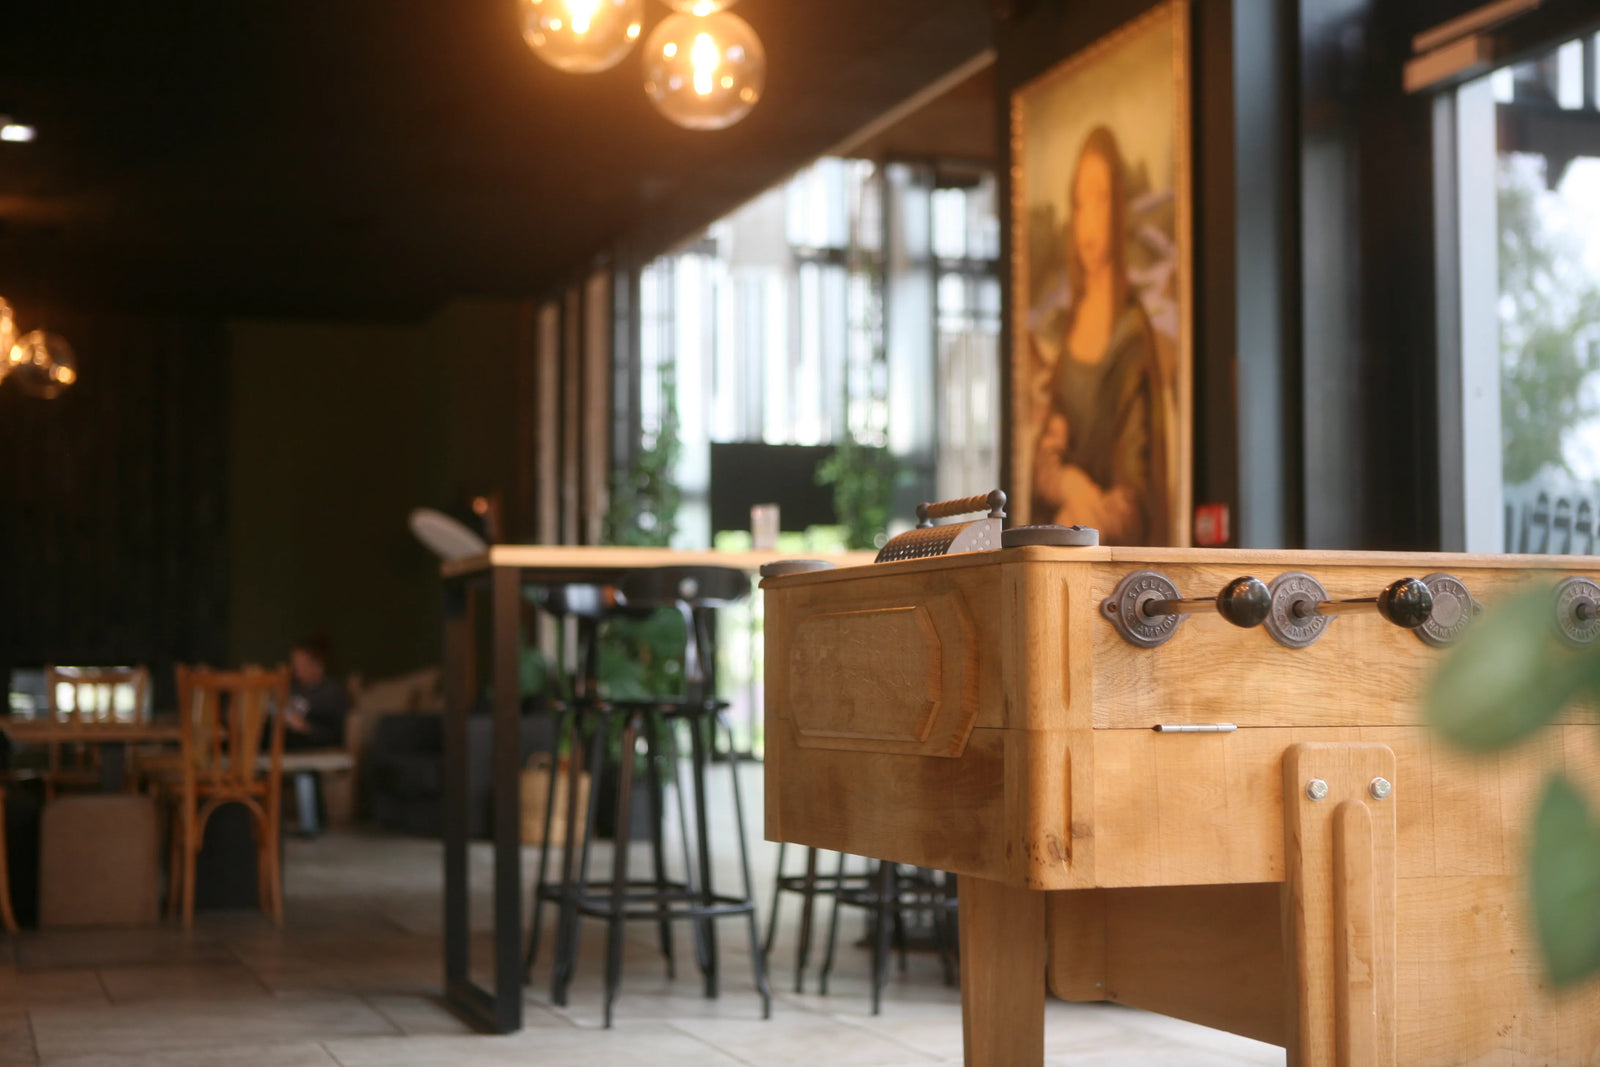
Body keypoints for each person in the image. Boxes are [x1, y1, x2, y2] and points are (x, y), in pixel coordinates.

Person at [1028, 125, 1167, 545]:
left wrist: (1081, 519)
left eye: (1100, 199)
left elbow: (1136, 491)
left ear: (1118, 209)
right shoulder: (1070, 329)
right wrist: (1068, 483)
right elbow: (1047, 455)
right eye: (1079, 203)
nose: (1087, 220)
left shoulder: (1131, 337)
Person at [283, 635, 348, 751]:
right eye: (295, 665)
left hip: (312, 751)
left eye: (303, 665)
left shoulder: (332, 694)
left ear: (318, 665)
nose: (297, 670)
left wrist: (306, 728)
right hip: (281, 748)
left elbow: (337, 736)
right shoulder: (291, 686)